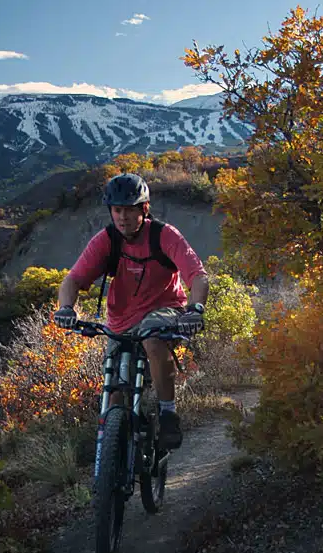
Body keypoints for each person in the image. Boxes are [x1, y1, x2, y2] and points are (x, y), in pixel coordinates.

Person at [54, 173, 209, 449]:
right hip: (120, 319)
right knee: (115, 391)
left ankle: (167, 412)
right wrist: (66, 307)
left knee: (152, 338)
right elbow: (73, 280)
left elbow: (197, 275)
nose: (122, 217)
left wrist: (195, 309)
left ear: (144, 209)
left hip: (164, 309)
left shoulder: (164, 235)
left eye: (129, 210)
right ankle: (115, 456)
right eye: (117, 210)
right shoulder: (107, 240)